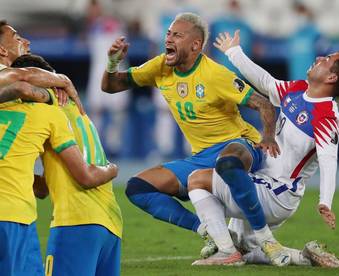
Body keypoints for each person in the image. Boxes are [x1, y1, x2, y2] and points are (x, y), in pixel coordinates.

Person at [101, 12, 279, 252]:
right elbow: (110, 86)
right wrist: (113, 63)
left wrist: (267, 137)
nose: (169, 39)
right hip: (201, 157)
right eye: (168, 34)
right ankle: (209, 231)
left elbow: (264, 104)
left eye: (177, 35)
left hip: (239, 145)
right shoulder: (160, 66)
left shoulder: (215, 75)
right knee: (137, 187)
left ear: (195, 45)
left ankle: (265, 239)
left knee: (227, 161)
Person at [187, 30, 339, 266]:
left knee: (197, 180)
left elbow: (328, 159)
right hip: (260, 179)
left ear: (332, 78)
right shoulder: (298, 89)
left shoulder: (326, 117)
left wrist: (325, 201)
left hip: (278, 192)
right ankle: (304, 257)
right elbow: (266, 82)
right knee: (246, 249)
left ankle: (226, 252)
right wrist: (234, 52)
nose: (320, 58)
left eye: (327, 60)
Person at [0, 21, 118, 275]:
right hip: (99, 218)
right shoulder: (59, 112)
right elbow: (21, 81)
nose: (26, 41)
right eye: (17, 36)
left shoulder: (18, 107)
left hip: (60, 217)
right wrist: (58, 85)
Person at [86, 0, 130, 157]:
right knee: (96, 110)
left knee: (118, 111)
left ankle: (114, 145)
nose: (91, 11)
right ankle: (95, 145)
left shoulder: (113, 23)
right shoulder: (92, 26)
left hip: (116, 69)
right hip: (97, 72)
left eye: (94, 8)